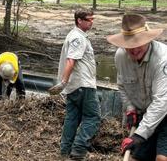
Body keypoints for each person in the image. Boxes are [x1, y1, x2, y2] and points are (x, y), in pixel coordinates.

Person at [107, 13, 166, 161]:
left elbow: (162, 101)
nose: (133, 50)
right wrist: (130, 108)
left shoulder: (162, 59)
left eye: (137, 44)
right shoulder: (120, 56)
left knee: (161, 158)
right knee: (137, 157)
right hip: (145, 113)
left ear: (147, 39)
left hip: (165, 110)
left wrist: (139, 135)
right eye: (129, 46)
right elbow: (122, 85)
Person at [49, 9, 100, 160]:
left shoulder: (75, 36)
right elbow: (71, 60)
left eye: (92, 19)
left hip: (74, 86)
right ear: (79, 20)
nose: (92, 22)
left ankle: (65, 150)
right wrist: (63, 82)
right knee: (93, 117)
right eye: (89, 19)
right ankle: (78, 149)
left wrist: (65, 84)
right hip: (83, 84)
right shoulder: (78, 37)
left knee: (72, 117)